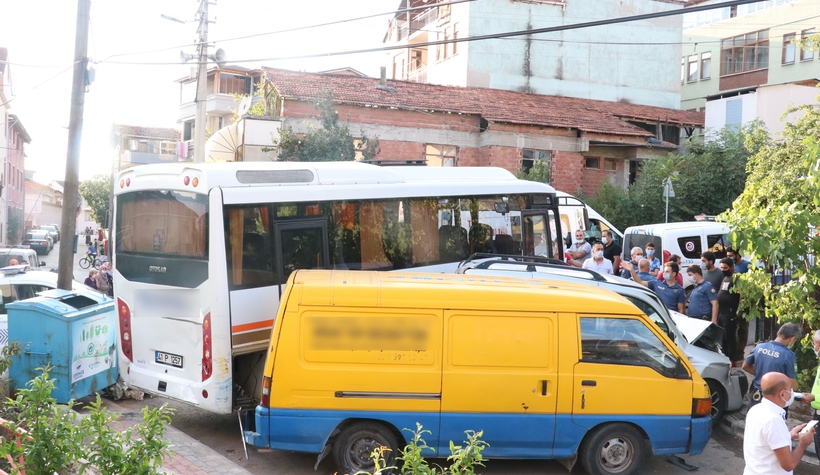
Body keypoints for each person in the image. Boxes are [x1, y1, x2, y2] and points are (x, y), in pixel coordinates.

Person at [743, 371, 815, 475]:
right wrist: (803, 443)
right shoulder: (773, 420)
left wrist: (788, 436)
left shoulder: (756, 409)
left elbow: (764, 441)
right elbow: (789, 464)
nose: (792, 392)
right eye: (790, 389)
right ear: (782, 394)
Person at [743, 323, 801, 407]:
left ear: (778, 333)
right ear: (792, 339)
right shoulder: (788, 355)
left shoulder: (759, 347)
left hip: (756, 393)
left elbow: (745, 366)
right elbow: (792, 384)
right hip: (775, 397)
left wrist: (763, 375)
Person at [717, 257, 741, 363]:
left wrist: (739, 310)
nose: (723, 270)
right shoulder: (725, 277)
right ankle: (725, 357)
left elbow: (741, 295)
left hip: (730, 312)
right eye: (721, 268)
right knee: (723, 337)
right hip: (722, 311)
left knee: (729, 337)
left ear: (731, 267)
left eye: (725, 268)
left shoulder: (736, 278)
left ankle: (732, 359)